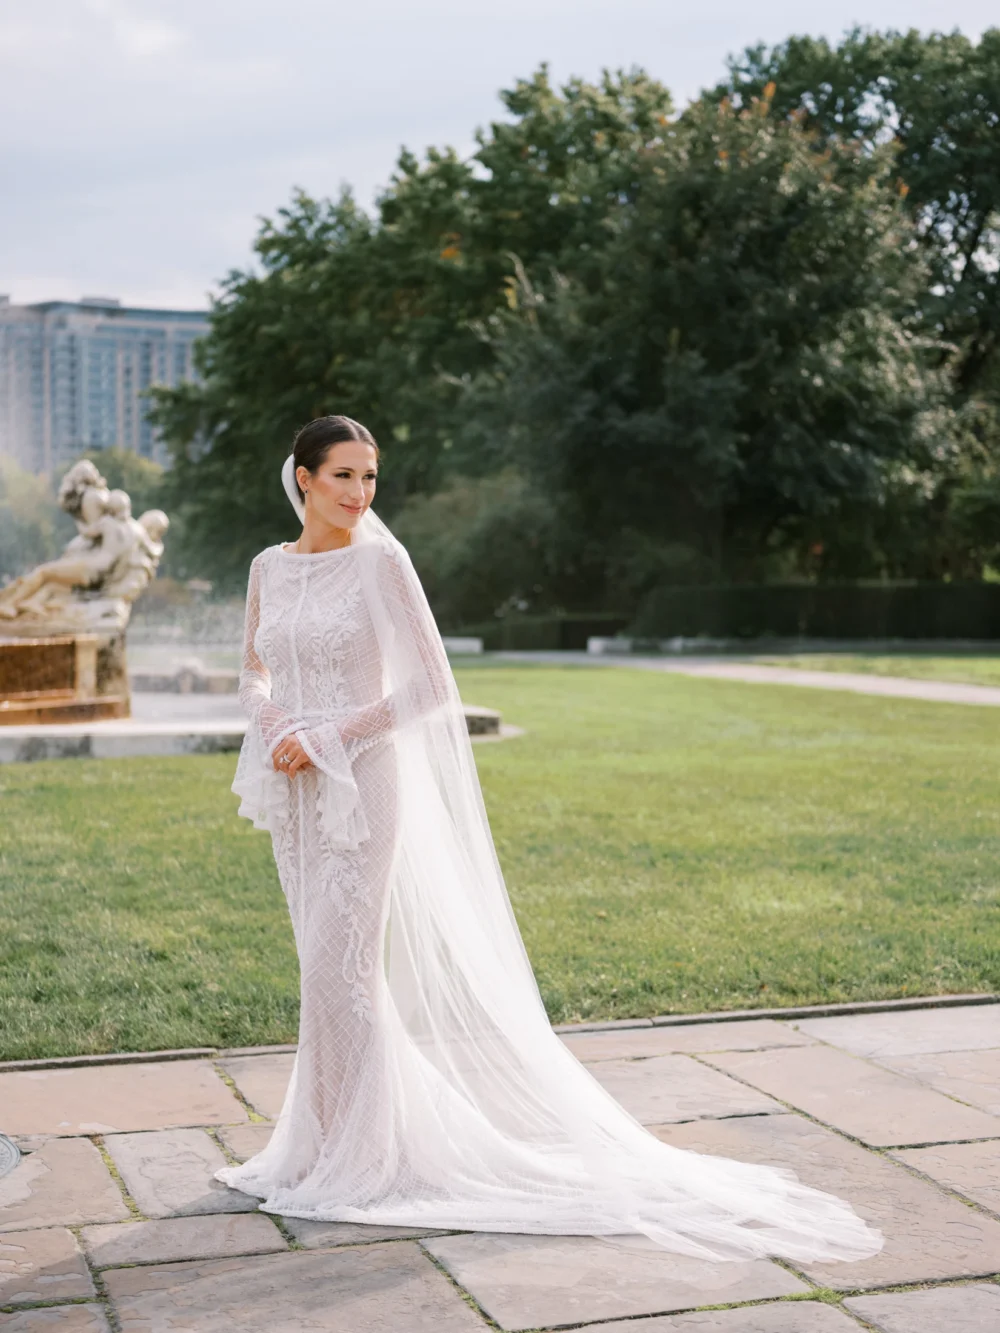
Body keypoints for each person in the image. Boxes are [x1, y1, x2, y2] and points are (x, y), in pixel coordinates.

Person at [217, 414, 882, 1264]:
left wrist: (330, 735)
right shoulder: (267, 567)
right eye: (343, 475)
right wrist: (272, 719)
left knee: (339, 969)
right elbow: (251, 667)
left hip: (362, 785)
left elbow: (430, 685)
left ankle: (358, 1160)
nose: (359, 493)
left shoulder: (382, 560)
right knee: (321, 967)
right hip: (293, 794)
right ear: (302, 477)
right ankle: (321, 1145)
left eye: (371, 477)